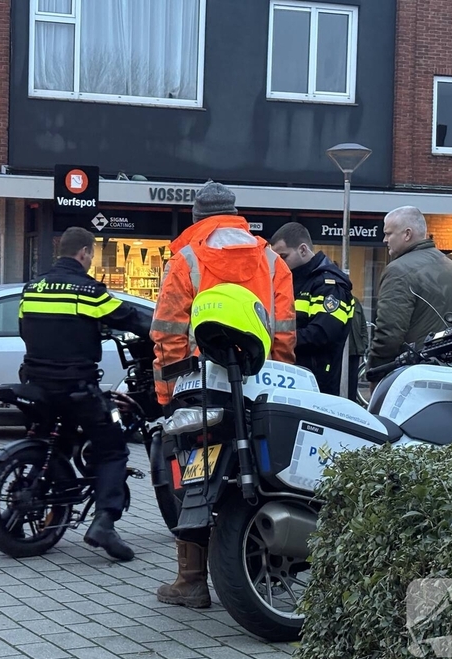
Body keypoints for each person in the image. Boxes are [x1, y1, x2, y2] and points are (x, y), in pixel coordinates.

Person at [151, 181, 296, 609]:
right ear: (238, 215)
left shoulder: (187, 260)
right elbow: (285, 332)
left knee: (192, 475)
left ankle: (191, 579)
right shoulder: (272, 261)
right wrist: (277, 380)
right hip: (263, 384)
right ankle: (260, 564)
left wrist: (168, 395)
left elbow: (168, 334)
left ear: (197, 218)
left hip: (202, 390)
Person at [19, 227, 152, 562]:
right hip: (76, 386)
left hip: (36, 384)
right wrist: (165, 327)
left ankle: (51, 509)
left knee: (57, 439)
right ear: (84, 254)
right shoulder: (89, 291)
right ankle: (104, 522)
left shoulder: (32, 287)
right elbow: (129, 317)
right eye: (91, 254)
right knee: (113, 449)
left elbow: (26, 330)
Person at [368, 206, 452, 380]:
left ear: (407, 234)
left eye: (389, 234)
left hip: (412, 373)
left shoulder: (398, 270)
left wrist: (376, 372)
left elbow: (389, 333)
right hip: (450, 369)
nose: (384, 240)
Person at [270, 222, 354, 396]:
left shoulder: (330, 285)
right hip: (294, 374)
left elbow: (323, 334)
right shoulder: (293, 281)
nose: (279, 263)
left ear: (302, 250)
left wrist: (279, 340)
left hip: (317, 380)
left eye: (283, 256)